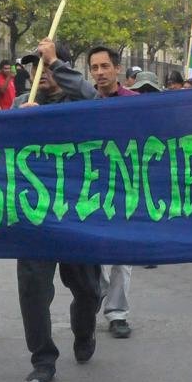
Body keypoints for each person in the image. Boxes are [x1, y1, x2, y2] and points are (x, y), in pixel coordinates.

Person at [14, 38, 101, 382]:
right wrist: (17, 124)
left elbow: (94, 100)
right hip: (34, 213)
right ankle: (43, 359)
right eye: (36, 66)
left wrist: (58, 63)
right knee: (33, 289)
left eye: (47, 65)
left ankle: (84, 330)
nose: (41, 72)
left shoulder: (78, 101)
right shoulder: (22, 104)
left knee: (88, 289)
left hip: (76, 212)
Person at [87, 45, 137, 339]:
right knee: (93, 251)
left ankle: (117, 312)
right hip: (91, 186)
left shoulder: (135, 102)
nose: (100, 73)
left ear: (117, 69)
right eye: (94, 68)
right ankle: (94, 297)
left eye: (105, 66)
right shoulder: (84, 102)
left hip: (125, 185)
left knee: (121, 254)